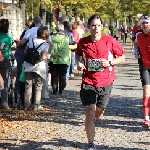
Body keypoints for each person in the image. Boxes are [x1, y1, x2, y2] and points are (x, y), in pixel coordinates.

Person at [76, 14, 125, 149]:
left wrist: (109, 62)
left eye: (98, 25)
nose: (96, 28)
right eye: (93, 25)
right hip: (88, 81)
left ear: (101, 27)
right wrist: (78, 64)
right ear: (88, 27)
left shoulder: (109, 41)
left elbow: (122, 57)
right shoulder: (83, 42)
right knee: (90, 112)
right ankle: (91, 143)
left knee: (98, 113)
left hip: (106, 81)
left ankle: (98, 112)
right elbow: (78, 54)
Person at [24, 26, 50, 111]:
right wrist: (48, 56)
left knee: (28, 86)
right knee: (38, 86)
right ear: (45, 35)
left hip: (28, 65)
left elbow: (25, 51)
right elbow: (43, 56)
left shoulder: (31, 41)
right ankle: (36, 105)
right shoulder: (45, 44)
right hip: (39, 67)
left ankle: (27, 105)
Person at [134, 14, 150, 128]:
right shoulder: (138, 34)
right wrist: (135, 51)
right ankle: (146, 119)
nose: (145, 25)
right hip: (144, 66)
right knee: (146, 91)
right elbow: (135, 43)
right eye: (143, 23)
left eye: (147, 23)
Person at [49, 24, 70, 94]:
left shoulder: (51, 37)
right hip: (63, 60)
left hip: (53, 59)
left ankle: (54, 90)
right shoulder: (66, 38)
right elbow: (65, 49)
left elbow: (50, 47)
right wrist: (58, 55)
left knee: (54, 76)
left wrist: (54, 55)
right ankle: (61, 89)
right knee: (63, 75)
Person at [0, 19, 13, 109]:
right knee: (5, 81)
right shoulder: (8, 38)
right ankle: (4, 103)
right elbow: (10, 45)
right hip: (5, 59)